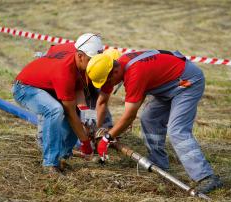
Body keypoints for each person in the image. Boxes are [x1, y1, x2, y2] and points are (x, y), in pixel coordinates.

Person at [86, 49, 223, 194]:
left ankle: (206, 176)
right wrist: (97, 130)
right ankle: (159, 164)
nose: (108, 85)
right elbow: (101, 103)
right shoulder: (111, 67)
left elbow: (129, 115)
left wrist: (107, 138)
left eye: (108, 81)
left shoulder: (134, 73)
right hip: (168, 84)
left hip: (187, 83)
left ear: (114, 72)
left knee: (177, 130)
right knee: (149, 118)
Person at [12, 33, 103, 175]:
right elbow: (70, 114)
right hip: (25, 88)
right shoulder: (64, 72)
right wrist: (85, 144)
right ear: (80, 56)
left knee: (78, 116)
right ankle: (50, 163)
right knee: (55, 110)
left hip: (48, 85)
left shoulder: (76, 51)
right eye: (92, 60)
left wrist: (86, 116)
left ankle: (62, 156)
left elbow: (78, 87)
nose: (94, 64)